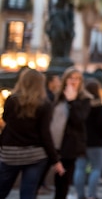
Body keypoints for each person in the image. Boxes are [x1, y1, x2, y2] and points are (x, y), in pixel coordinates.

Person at [0, 69, 65, 199]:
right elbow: (45, 134)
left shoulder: (11, 100)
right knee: (28, 193)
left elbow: (5, 120)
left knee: (2, 188)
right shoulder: (45, 104)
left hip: (10, 152)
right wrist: (55, 160)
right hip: (35, 154)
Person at [51, 67, 91, 199]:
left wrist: (72, 101)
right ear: (65, 79)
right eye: (71, 78)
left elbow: (79, 120)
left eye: (77, 78)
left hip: (69, 146)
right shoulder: (57, 97)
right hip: (52, 142)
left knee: (63, 180)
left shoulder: (84, 99)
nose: (74, 81)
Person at [74, 78, 102, 199]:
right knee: (96, 168)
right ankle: (92, 195)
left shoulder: (80, 104)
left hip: (81, 141)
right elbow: (101, 125)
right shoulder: (99, 106)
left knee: (80, 168)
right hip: (96, 142)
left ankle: (80, 195)